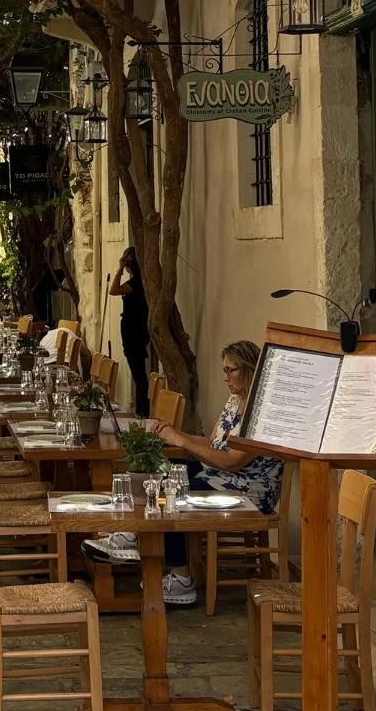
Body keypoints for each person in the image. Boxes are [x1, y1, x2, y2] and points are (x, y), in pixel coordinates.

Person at [84, 339, 282, 608]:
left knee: (173, 490)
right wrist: (175, 435)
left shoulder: (262, 412)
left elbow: (232, 461)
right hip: (223, 478)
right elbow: (213, 445)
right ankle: (130, 538)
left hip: (251, 489)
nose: (225, 377)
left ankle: (181, 578)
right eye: (224, 370)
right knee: (164, 473)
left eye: (230, 370)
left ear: (249, 370)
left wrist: (184, 442)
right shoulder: (236, 400)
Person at [110, 246, 150, 415]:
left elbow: (113, 290)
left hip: (134, 333)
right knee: (139, 376)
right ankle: (142, 411)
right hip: (134, 333)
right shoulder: (138, 282)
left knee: (140, 377)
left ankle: (142, 413)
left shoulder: (135, 284)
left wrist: (119, 269)